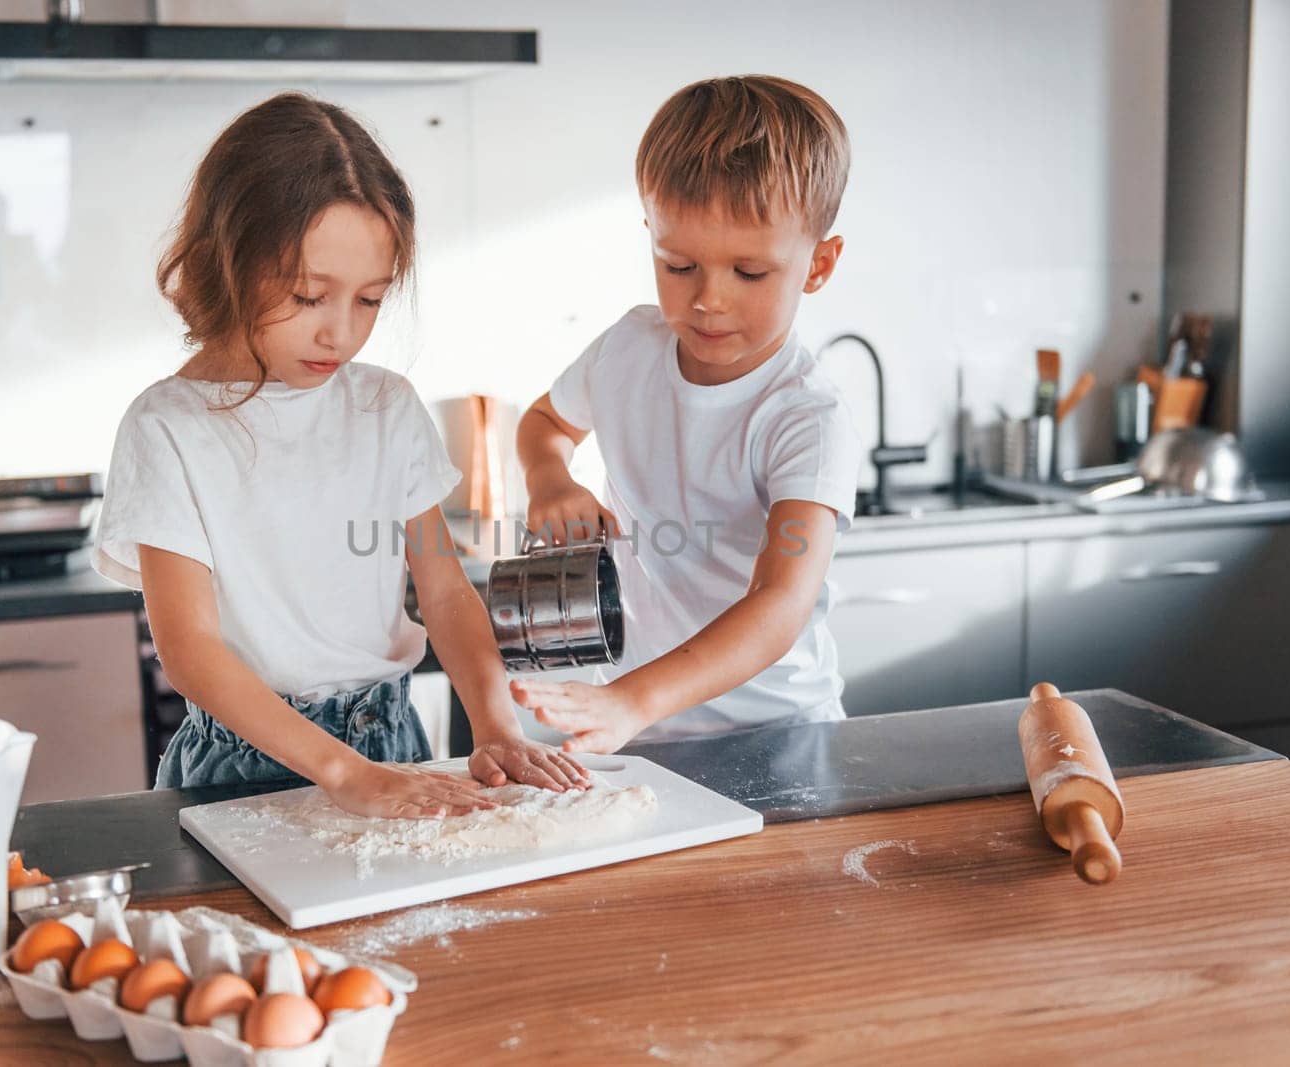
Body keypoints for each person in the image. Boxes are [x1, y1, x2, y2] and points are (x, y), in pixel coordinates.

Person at [95, 92, 588, 814]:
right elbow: (191, 651)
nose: (341, 334)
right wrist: (344, 772)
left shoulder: (386, 407)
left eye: (369, 300)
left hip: (391, 743)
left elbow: (446, 592)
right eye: (309, 295)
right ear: (227, 260)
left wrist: (495, 724)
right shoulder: (169, 427)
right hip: (245, 763)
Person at [512, 75, 864, 753]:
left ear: (818, 264)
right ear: (651, 234)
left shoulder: (805, 417)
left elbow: (779, 604)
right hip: (644, 725)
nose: (708, 299)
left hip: (778, 728)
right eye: (678, 264)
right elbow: (545, 424)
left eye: (749, 273)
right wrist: (549, 480)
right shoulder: (626, 349)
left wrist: (631, 698)